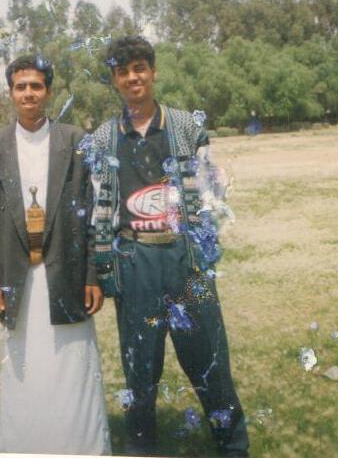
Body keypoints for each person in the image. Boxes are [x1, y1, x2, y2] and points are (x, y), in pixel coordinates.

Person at [89, 36, 249, 457]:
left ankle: (233, 446)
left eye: (139, 68)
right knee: (140, 368)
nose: (132, 77)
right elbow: (99, 206)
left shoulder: (185, 126)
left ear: (153, 71)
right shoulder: (104, 137)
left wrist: (201, 246)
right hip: (135, 260)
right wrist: (107, 262)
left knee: (209, 358)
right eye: (122, 72)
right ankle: (142, 448)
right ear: (115, 80)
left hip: (184, 256)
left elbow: (213, 191)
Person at [0, 54, 111, 455]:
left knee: (71, 364)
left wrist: (93, 275)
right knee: (25, 367)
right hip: (17, 275)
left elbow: (95, 215)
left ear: (49, 92)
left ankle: (81, 445)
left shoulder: (77, 143)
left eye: (36, 86)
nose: (28, 94)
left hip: (67, 273)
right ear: (10, 93)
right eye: (21, 87)